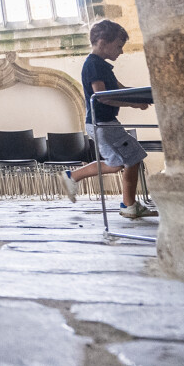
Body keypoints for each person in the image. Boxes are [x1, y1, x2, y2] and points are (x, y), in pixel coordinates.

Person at [56, 19, 157, 219]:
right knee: (134, 157)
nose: (121, 51)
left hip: (103, 124)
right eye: (119, 46)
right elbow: (103, 97)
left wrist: (147, 95)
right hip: (103, 124)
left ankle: (71, 176)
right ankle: (129, 205)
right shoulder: (94, 65)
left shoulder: (102, 66)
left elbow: (120, 89)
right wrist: (134, 104)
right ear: (102, 42)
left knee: (116, 164)